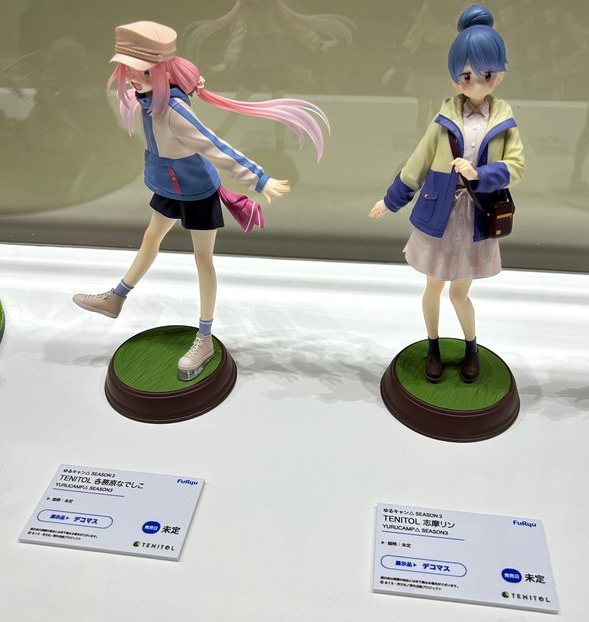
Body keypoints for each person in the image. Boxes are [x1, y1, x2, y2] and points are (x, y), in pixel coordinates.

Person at [73, 21, 327, 381]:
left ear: (161, 73)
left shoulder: (176, 113)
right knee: (151, 238)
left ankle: (204, 338)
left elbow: (214, 146)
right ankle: (117, 297)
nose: (134, 79)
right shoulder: (149, 99)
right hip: (167, 186)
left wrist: (259, 178)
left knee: (203, 260)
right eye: (129, 71)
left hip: (196, 192)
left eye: (143, 72)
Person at [369, 4, 524, 383]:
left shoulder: (504, 122)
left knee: (460, 293)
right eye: (467, 76)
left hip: (475, 219)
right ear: (456, 78)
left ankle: (471, 347)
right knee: (433, 287)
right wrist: (390, 200)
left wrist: (481, 174)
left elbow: (516, 167)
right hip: (439, 214)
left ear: (499, 74)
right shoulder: (443, 122)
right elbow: (417, 164)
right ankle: (433, 347)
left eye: (486, 75)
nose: (476, 84)